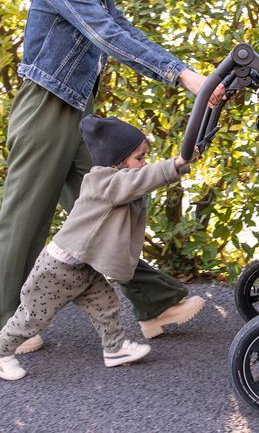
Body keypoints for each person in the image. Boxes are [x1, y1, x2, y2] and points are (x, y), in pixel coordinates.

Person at [0, 0, 224, 353]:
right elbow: (106, 36)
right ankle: (5, 323)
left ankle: (155, 303)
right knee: (24, 218)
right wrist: (182, 76)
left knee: (112, 205)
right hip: (44, 109)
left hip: (76, 113)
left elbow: (127, 33)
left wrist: (190, 73)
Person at [0, 115, 202, 381]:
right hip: (57, 271)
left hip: (81, 268)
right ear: (117, 162)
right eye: (139, 158)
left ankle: (115, 349)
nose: (144, 164)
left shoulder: (116, 181)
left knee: (106, 304)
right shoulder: (106, 183)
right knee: (32, 318)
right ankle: (2, 352)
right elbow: (141, 181)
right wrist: (176, 163)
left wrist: (185, 163)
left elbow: (142, 181)